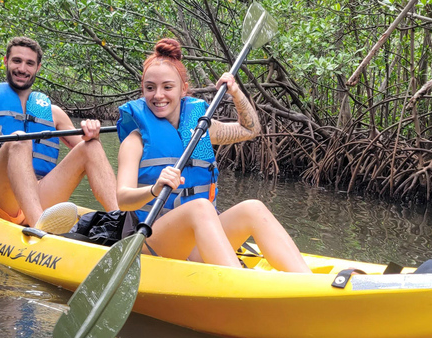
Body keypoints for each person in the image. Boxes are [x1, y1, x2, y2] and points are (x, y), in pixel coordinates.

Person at [116, 38, 311, 272]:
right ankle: (240, 286)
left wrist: (236, 93)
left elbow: (251, 130)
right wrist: (154, 189)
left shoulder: (200, 131)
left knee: (253, 207)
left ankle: (306, 281)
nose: (158, 95)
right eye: (150, 88)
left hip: (196, 245)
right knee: (200, 207)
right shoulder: (135, 141)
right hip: (152, 240)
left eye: (167, 87)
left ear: (183, 90)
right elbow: (123, 199)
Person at [0, 37, 118, 231]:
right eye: (17, 61)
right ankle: (40, 227)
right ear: (6, 61)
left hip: (40, 194)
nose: (22, 68)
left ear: (38, 68)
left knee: (92, 147)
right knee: (19, 140)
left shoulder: (53, 113)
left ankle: (120, 220)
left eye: (29, 63)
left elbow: (89, 151)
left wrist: (92, 131)